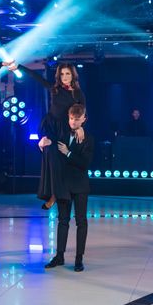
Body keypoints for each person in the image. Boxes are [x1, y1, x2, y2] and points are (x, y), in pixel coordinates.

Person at [16, 62, 86, 209]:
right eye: (62, 74)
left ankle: (57, 194)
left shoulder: (78, 93)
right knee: (50, 154)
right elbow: (36, 77)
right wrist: (18, 67)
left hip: (65, 129)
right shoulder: (55, 89)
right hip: (50, 127)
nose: (64, 77)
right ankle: (53, 194)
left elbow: (83, 112)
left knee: (60, 160)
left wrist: (80, 127)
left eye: (67, 73)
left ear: (73, 75)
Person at [43, 104, 94, 272]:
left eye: (77, 119)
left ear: (84, 119)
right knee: (62, 220)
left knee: (81, 222)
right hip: (64, 184)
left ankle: (79, 258)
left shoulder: (88, 138)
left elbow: (85, 163)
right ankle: (59, 256)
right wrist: (42, 143)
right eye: (71, 119)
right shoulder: (62, 133)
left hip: (80, 185)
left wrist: (68, 153)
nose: (73, 122)